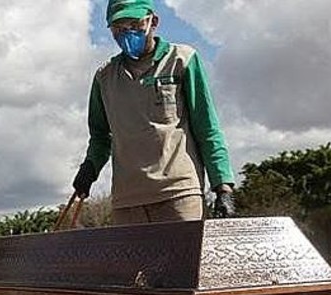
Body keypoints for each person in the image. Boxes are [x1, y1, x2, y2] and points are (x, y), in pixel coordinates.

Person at [73, 0, 236, 223]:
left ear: (153, 21)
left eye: (134, 24)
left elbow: (206, 127)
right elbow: (100, 137)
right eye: (118, 28)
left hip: (179, 195)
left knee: (184, 259)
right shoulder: (104, 77)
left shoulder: (182, 60)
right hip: (127, 202)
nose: (126, 33)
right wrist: (89, 169)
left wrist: (222, 186)